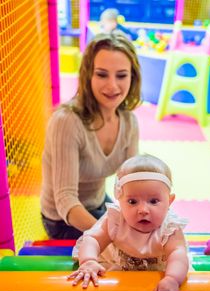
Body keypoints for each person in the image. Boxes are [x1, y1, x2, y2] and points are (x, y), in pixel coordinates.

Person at [40, 33, 142, 240]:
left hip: (98, 204)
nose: (112, 86)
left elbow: (132, 184)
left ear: (132, 78)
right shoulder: (66, 122)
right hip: (62, 218)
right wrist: (110, 235)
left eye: (121, 75)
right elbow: (65, 200)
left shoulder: (129, 122)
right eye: (102, 74)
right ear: (88, 76)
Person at [68, 154, 189, 291]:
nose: (143, 210)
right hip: (120, 269)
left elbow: (178, 254)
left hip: (158, 273)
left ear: (169, 201)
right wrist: (89, 260)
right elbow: (93, 239)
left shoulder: (169, 228)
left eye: (153, 201)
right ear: (119, 201)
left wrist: (172, 279)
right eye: (132, 202)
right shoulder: (116, 220)